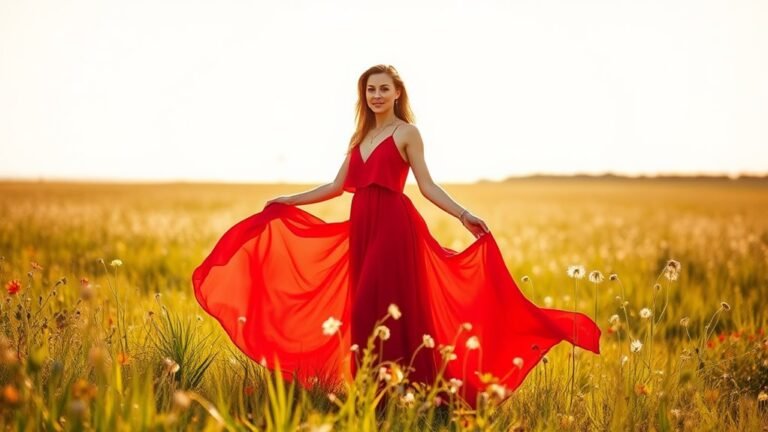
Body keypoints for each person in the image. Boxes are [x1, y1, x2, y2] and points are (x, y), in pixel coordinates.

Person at [192, 64, 601, 407]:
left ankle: (398, 395)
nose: (376, 95)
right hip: (363, 228)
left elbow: (427, 185)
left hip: (393, 228)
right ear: (363, 95)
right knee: (364, 312)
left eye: (383, 88)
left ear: (397, 92)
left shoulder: (408, 133)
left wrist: (463, 214)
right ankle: (376, 397)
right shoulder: (358, 137)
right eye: (370, 89)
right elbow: (334, 188)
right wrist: (289, 200)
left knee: (378, 303)